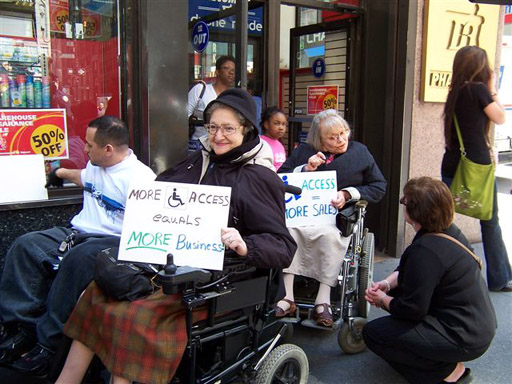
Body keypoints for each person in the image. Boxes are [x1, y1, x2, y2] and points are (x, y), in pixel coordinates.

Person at [55, 89, 297, 384]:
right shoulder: (199, 160)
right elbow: (160, 192)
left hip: (222, 279)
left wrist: (246, 244)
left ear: (246, 129)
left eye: (228, 128)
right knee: (95, 294)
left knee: (134, 316)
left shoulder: (258, 177)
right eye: (213, 127)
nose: (218, 135)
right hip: (169, 265)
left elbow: (283, 246)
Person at [0, 116, 156, 376]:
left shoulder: (141, 180)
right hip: (77, 232)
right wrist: (58, 172)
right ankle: (20, 331)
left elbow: (147, 228)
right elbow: (82, 177)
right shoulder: (97, 164)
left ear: (108, 149)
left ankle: (47, 347)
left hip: (112, 241)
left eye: (89, 144)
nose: (84, 149)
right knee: (25, 245)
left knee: (77, 260)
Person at [363, 176, 497, 384]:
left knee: (374, 334)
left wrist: (382, 299)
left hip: (461, 336)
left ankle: (447, 371)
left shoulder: (425, 251)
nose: (402, 204)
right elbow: (414, 272)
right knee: (392, 327)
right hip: (477, 325)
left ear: (415, 213)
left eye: (404, 201)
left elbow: (412, 309)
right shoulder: (449, 232)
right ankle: (442, 359)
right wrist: (387, 284)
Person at [277, 109, 386, 326]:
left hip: (335, 217)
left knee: (330, 236)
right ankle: (287, 296)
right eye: (333, 137)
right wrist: (305, 169)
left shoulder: (359, 152)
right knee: (289, 232)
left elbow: (378, 186)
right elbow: (281, 179)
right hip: (303, 215)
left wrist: (348, 194)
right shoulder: (304, 152)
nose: (341, 139)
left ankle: (323, 299)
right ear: (319, 140)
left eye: (344, 133)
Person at [441, 45, 512, 292]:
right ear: (483, 68)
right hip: (475, 165)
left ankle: (440, 273)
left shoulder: (456, 92)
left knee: (442, 220)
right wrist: (492, 87)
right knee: (490, 221)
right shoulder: (479, 90)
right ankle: (500, 278)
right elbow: (500, 117)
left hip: (452, 162)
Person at [187, 55, 236, 140]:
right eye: (226, 68)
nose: (231, 72)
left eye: (233, 70)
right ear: (217, 72)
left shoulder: (233, 97)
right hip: (198, 144)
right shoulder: (201, 89)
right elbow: (185, 115)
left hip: (223, 145)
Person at [260, 106, 287, 170]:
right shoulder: (260, 143)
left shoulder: (280, 145)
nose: (281, 128)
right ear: (266, 124)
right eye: (276, 123)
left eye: (283, 124)